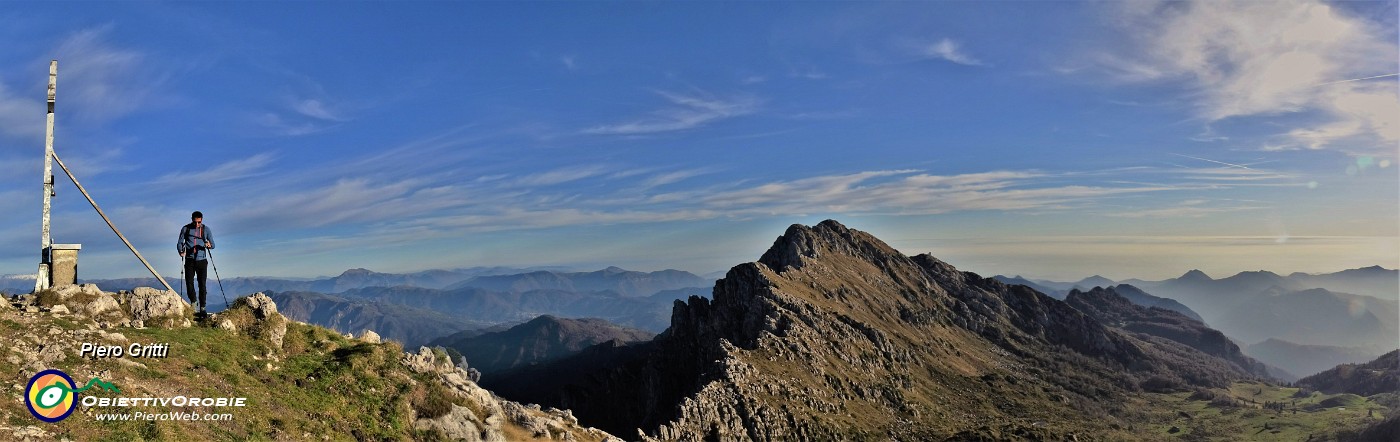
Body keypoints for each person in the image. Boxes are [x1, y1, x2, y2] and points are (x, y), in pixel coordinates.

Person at [177, 211, 215, 317]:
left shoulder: (206, 229)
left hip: (201, 261)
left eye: (199, 222)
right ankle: (193, 302)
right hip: (189, 259)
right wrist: (181, 251)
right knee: (189, 283)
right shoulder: (185, 229)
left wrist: (209, 245)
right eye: (195, 222)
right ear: (192, 219)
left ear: (202, 220)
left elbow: (213, 244)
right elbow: (180, 242)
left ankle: (202, 308)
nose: (197, 224)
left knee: (202, 284)